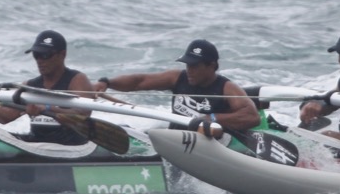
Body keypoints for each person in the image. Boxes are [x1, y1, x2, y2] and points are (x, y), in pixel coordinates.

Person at [92, 38, 260, 131]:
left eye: (195, 66)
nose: (189, 70)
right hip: (176, 140)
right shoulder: (177, 78)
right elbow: (139, 82)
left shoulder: (227, 88)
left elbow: (252, 117)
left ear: (212, 66)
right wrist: (107, 82)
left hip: (209, 145)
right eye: (187, 65)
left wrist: (213, 118)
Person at [0, 30, 95, 145]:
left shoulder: (76, 79)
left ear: (62, 55)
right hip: (37, 143)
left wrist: (46, 108)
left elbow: (83, 115)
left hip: (71, 146)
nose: (40, 61)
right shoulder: (30, 85)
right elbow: (5, 117)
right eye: (37, 55)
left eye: (46, 55)